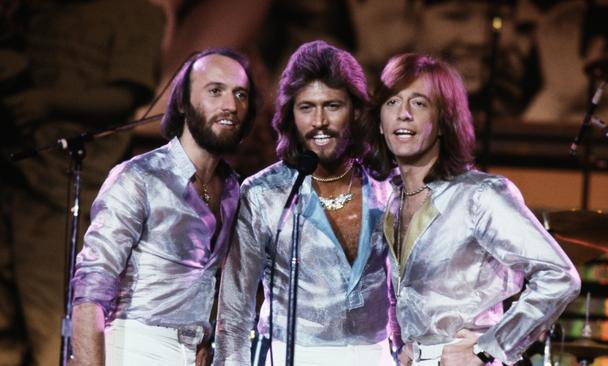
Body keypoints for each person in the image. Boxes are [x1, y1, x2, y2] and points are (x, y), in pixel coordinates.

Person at [366, 53, 581, 365]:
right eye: (392, 102)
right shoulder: (387, 199)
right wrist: (403, 345)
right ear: (380, 124)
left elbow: (561, 276)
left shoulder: (480, 196)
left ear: (443, 122)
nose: (404, 114)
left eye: (420, 103)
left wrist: (488, 348)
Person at [70, 48, 260, 365]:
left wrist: (205, 337)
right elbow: (90, 292)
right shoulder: (139, 178)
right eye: (216, 91)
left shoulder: (232, 189)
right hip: (131, 349)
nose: (231, 105)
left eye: (241, 94)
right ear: (183, 103)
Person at [0, 1, 164, 364]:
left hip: (63, 191)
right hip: (14, 177)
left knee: (52, 321)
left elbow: (127, 96)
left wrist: (48, 102)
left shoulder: (136, 13)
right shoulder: (38, 11)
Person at [214, 40, 395, 366]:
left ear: (355, 110)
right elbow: (236, 308)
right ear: (289, 115)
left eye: (333, 106)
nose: (319, 121)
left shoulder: (387, 187)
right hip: (292, 354)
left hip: (377, 354)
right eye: (307, 107)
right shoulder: (264, 194)